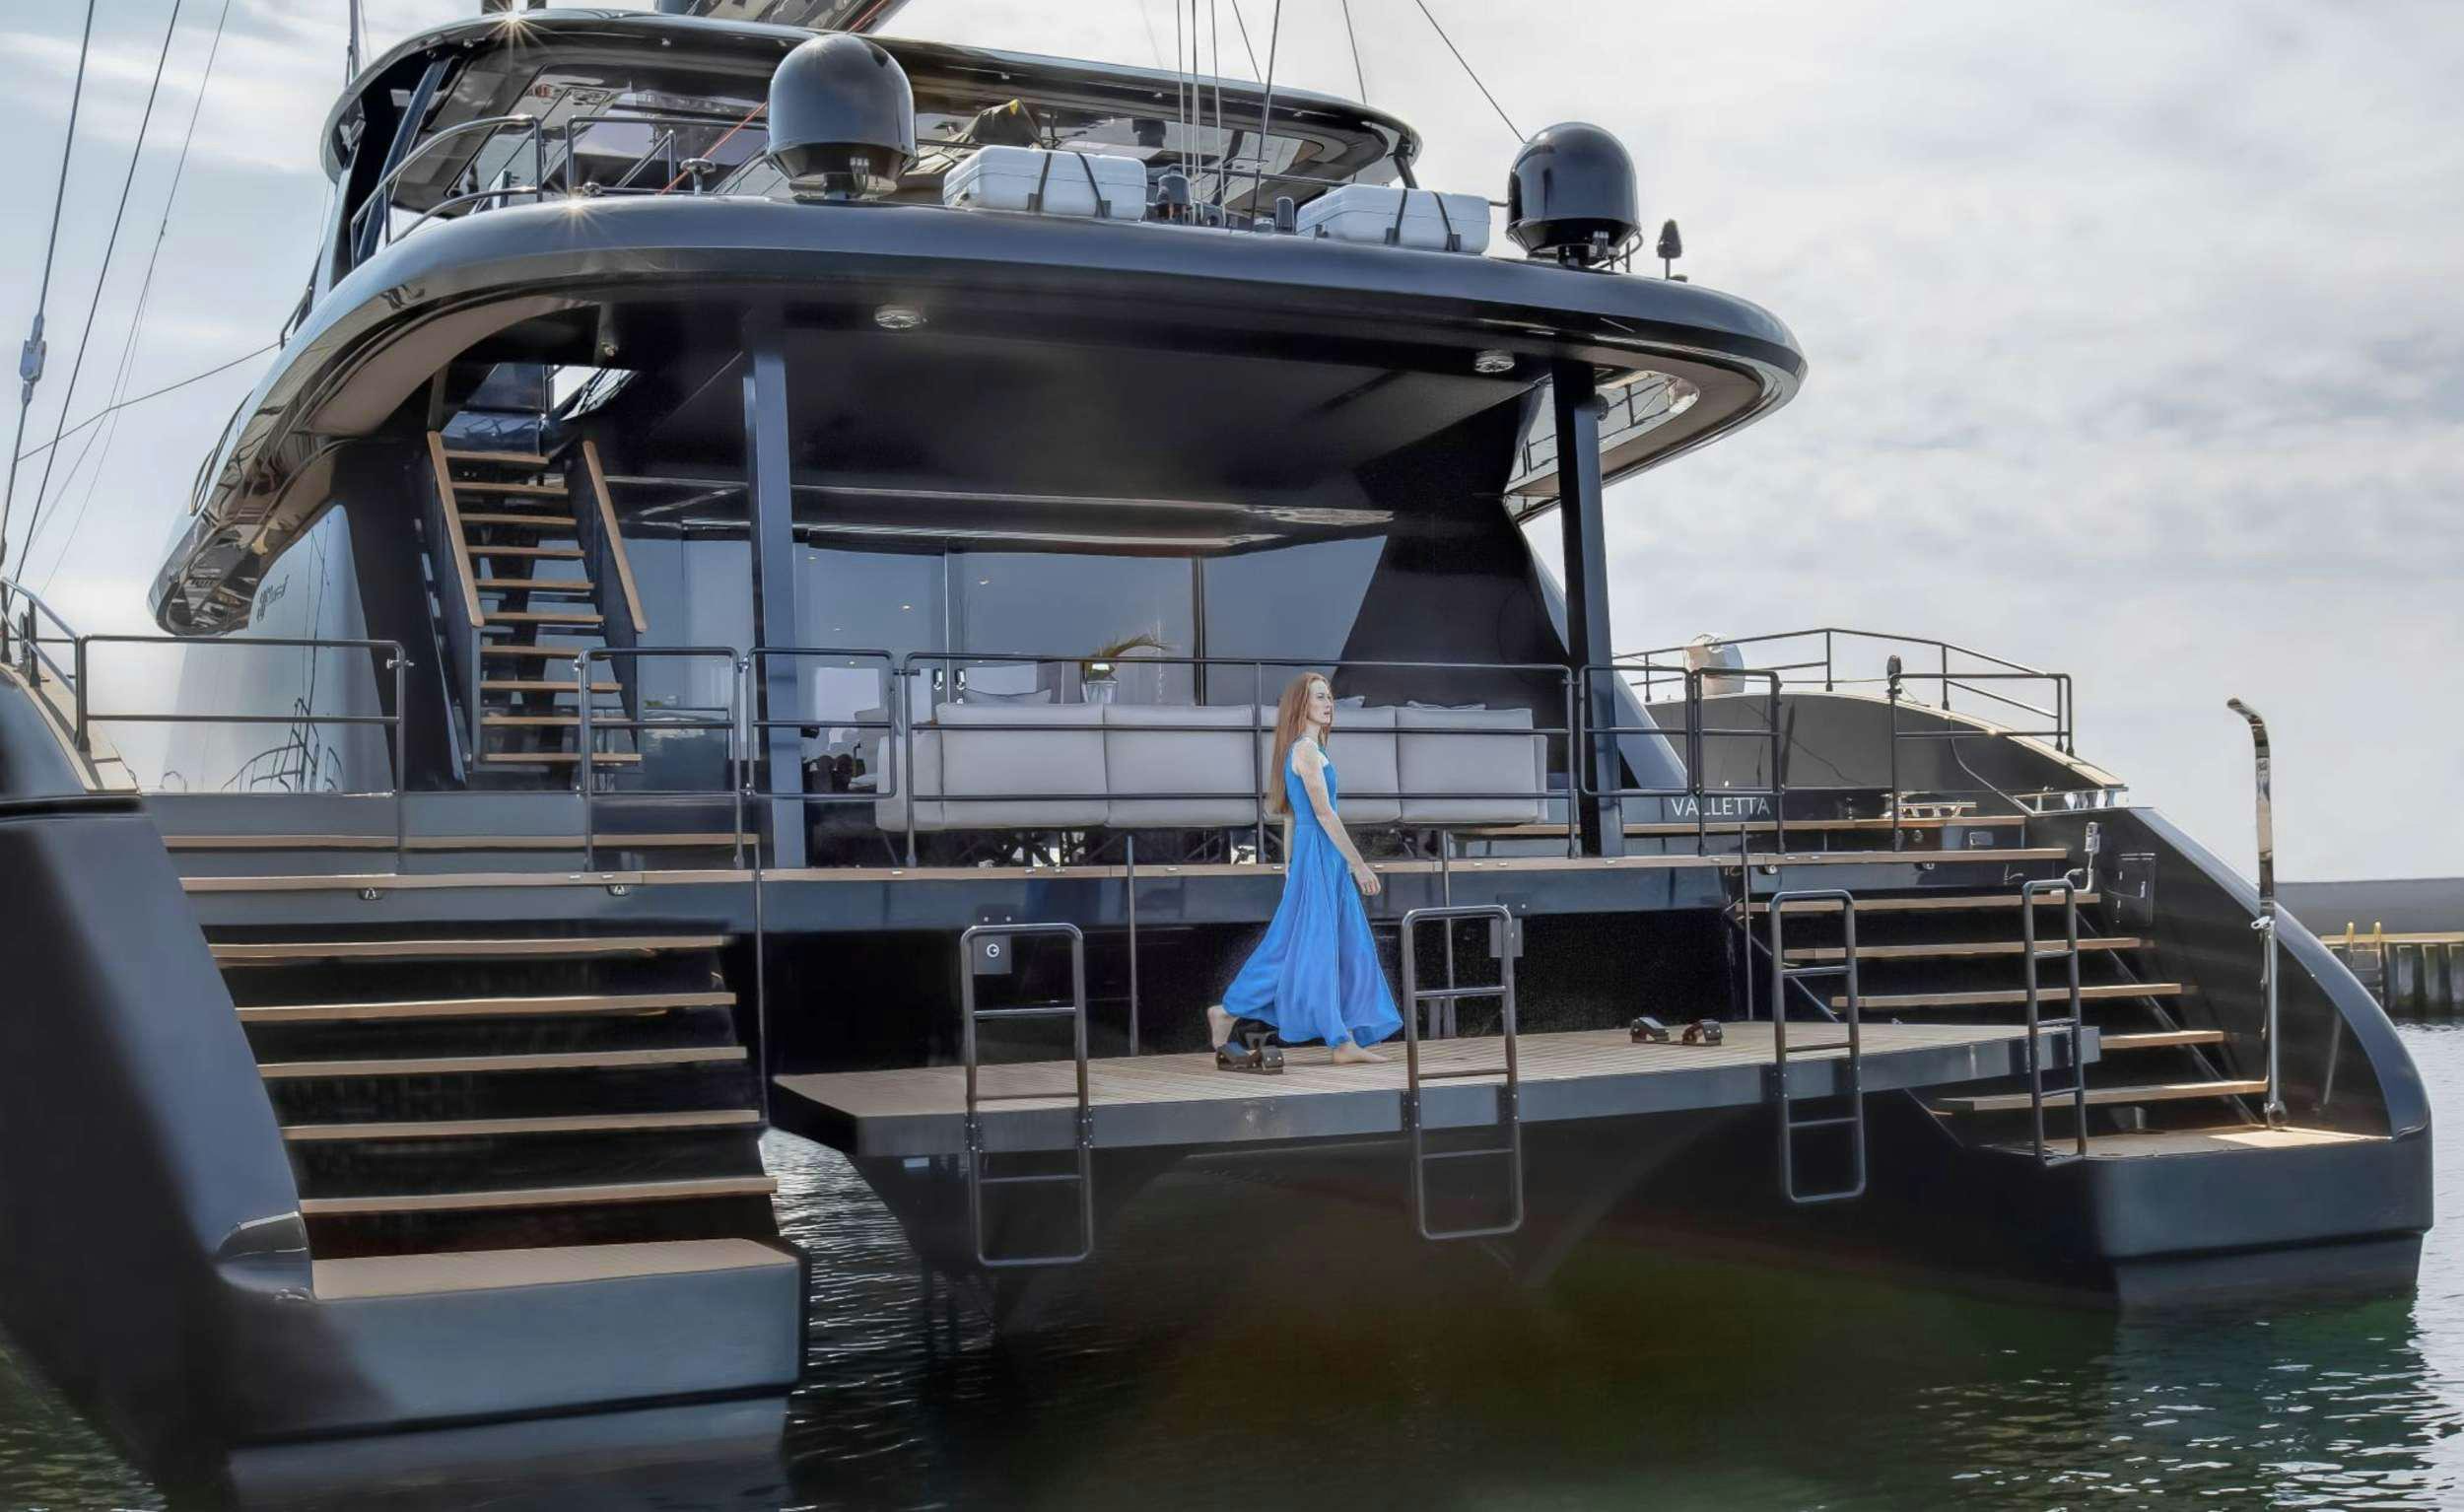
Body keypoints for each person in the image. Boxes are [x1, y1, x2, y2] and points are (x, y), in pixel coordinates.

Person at [1208, 671, 1403, 1067]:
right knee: (1307, 946)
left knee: (1334, 944)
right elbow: (1323, 815)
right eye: (1319, 697)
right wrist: (1359, 864)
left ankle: (1340, 1038)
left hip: (1318, 858)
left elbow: (1292, 818)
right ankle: (1233, 1011)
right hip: (1322, 855)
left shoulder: (1311, 749)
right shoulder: (1306, 752)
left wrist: (1289, 864)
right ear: (1302, 705)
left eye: (1329, 697)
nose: (1328, 704)